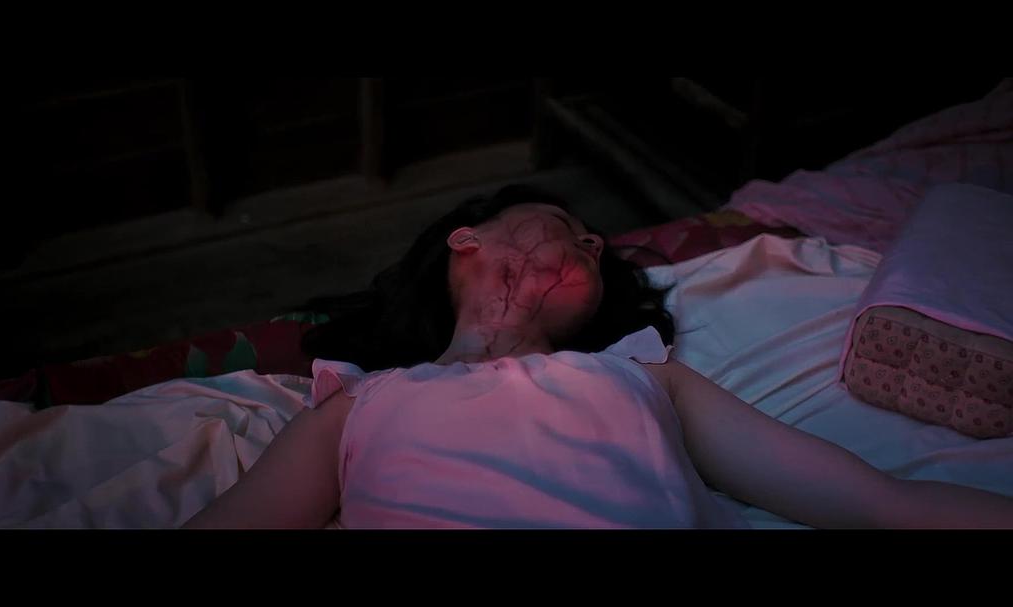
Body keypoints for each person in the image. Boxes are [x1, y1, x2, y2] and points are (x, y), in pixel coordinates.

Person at [185, 184, 1013, 529]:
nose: (589, 243)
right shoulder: (359, 403)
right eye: (570, 228)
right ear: (467, 240)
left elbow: (877, 501)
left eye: (594, 247)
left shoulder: (643, 377)